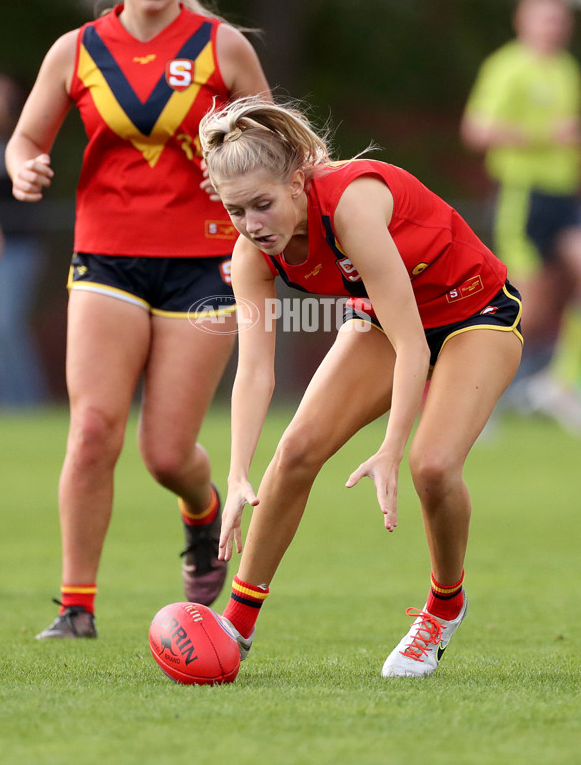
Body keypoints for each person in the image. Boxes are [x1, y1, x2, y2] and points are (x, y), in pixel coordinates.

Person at [5, 0, 271, 640]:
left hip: (206, 267)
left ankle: (201, 507)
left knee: (164, 454)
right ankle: (76, 605)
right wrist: (25, 165)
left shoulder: (224, 49)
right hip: (107, 259)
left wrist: (259, 209)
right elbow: (25, 137)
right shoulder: (78, 50)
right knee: (92, 430)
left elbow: (273, 151)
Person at [195, 96, 523, 678]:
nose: (252, 225)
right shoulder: (251, 253)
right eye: (236, 210)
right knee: (294, 452)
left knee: (432, 466)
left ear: (297, 184)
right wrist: (238, 472)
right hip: (385, 320)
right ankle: (236, 625)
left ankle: (444, 607)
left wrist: (391, 448)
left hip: (474, 311)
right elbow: (254, 371)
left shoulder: (350, 206)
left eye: (263, 205)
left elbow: (414, 345)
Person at [461, 0, 581, 433]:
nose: (554, 26)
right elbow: (477, 130)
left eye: (560, 18)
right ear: (523, 20)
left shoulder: (567, 68)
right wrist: (542, 137)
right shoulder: (507, 67)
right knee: (525, 306)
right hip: (522, 193)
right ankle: (473, 392)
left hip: (563, 196)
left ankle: (560, 384)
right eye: (544, 16)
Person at [0, 73, 48, 407]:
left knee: (6, 326)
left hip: (17, 247)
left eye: (0, 98)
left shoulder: (19, 144)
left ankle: (24, 403)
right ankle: (6, 404)